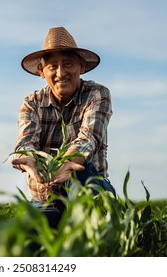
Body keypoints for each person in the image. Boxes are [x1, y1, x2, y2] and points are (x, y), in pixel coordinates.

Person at [12, 27, 116, 228]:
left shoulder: (97, 94)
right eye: (53, 66)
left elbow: (88, 138)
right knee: (25, 240)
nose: (61, 73)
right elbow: (26, 143)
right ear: (41, 72)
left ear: (81, 66)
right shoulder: (31, 103)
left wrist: (68, 165)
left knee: (82, 174)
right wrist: (28, 160)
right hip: (47, 196)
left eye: (67, 64)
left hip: (90, 189)